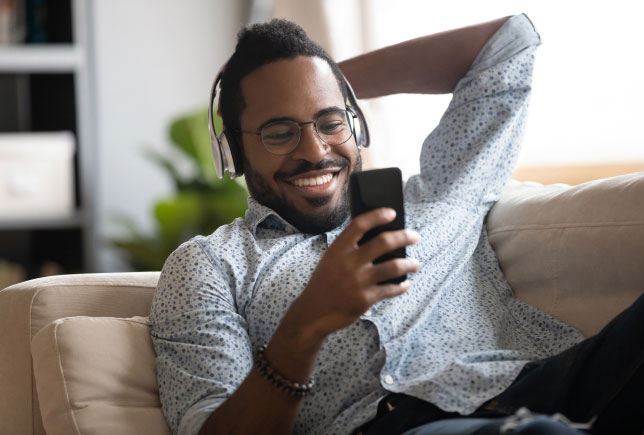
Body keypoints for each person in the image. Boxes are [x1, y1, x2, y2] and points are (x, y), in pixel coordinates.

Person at [150, 14, 644, 435]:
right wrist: (306, 324)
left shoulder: (441, 196)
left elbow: (508, 43)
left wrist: (323, 78)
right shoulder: (208, 266)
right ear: (234, 151)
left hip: (542, 381)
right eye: (280, 131)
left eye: (330, 121)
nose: (315, 151)